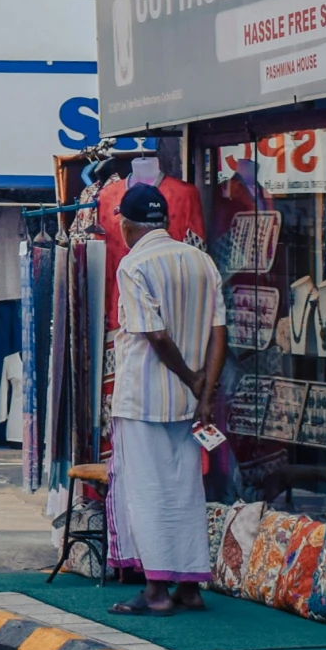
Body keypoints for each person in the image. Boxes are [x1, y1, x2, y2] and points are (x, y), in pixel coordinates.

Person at [107, 182, 228, 616]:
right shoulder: (201, 261)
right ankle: (190, 586)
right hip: (189, 404)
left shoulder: (134, 265)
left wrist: (192, 378)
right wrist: (204, 391)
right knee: (185, 491)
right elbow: (219, 333)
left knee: (146, 492)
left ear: (126, 223)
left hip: (144, 398)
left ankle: (156, 590)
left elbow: (155, 334)